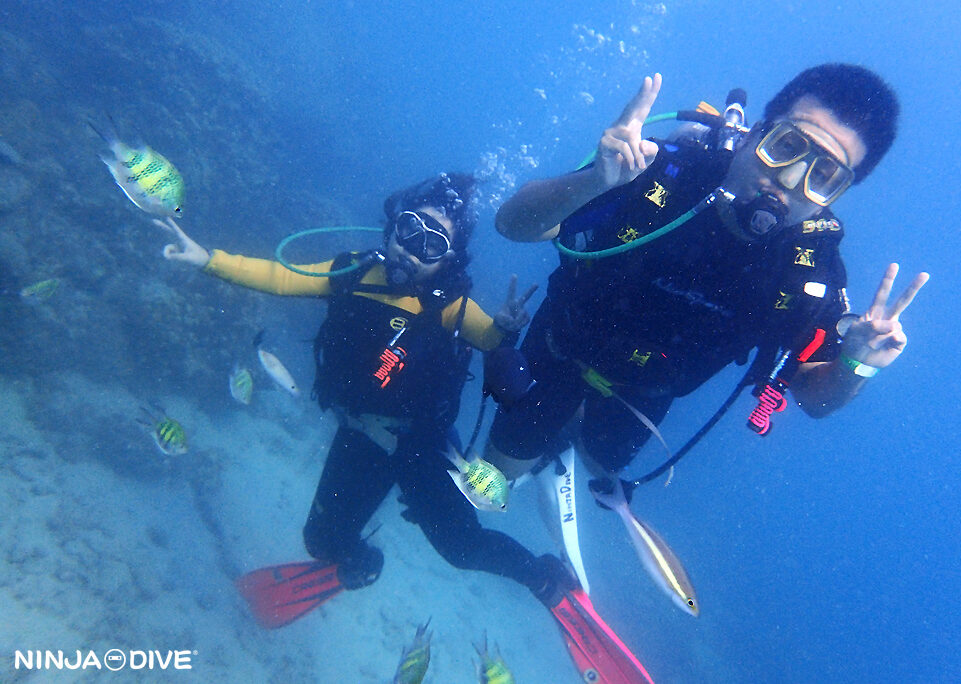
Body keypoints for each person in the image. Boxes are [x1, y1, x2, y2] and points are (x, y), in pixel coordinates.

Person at [155, 173, 655, 684]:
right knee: (321, 542)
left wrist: (505, 325)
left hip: (422, 447)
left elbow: (490, 339)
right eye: (409, 231)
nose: (412, 252)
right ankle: (361, 562)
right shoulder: (351, 272)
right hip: (359, 434)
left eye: (432, 244)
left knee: (462, 549)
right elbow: (281, 277)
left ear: (449, 258)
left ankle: (545, 579)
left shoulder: (450, 306)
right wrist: (207, 259)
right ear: (392, 226)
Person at [486, 64, 930, 484]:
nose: (790, 180)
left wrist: (855, 366)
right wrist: (594, 183)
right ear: (756, 131)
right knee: (495, 477)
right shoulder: (664, 172)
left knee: (601, 465)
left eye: (824, 174)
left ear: (833, 196)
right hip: (560, 348)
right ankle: (551, 431)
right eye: (787, 146)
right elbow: (512, 224)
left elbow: (815, 399)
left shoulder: (809, 265)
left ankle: (572, 431)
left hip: (646, 394)